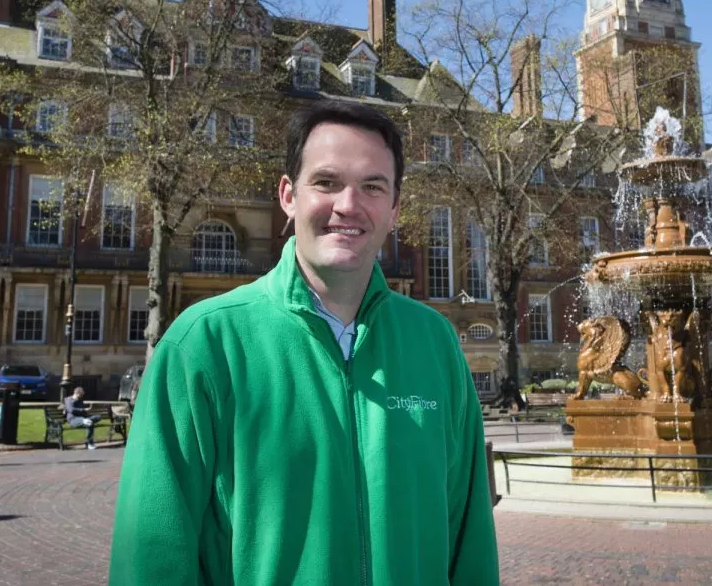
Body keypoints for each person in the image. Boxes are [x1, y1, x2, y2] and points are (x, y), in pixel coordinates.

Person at [110, 101, 499, 585]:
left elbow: (469, 537)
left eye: (373, 187)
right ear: (288, 196)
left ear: (395, 209)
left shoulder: (434, 341)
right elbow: (152, 551)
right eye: (327, 182)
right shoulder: (204, 343)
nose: (349, 206)